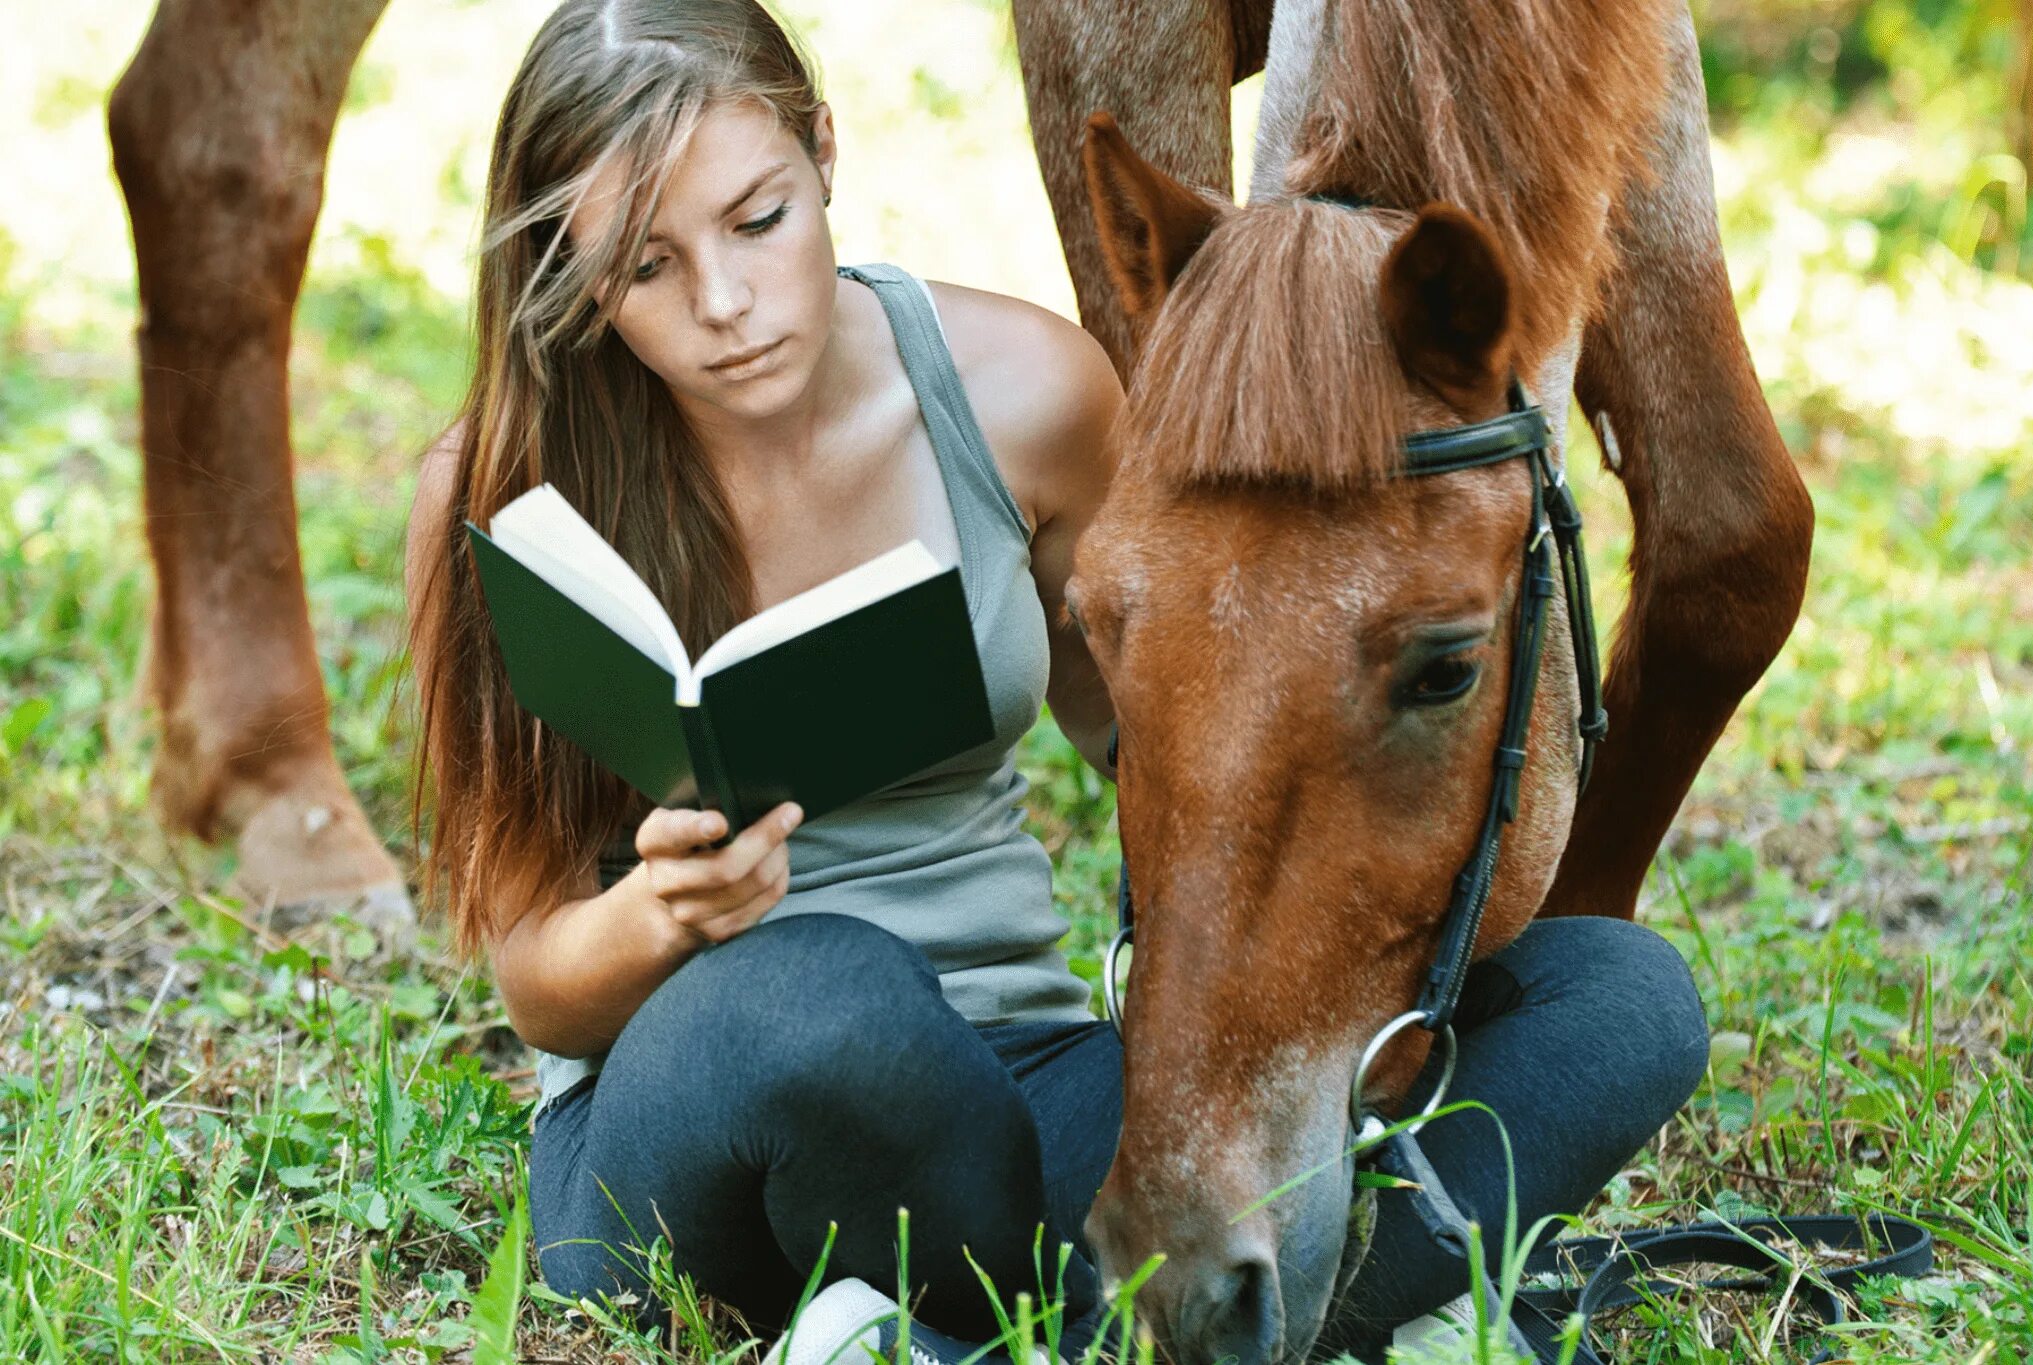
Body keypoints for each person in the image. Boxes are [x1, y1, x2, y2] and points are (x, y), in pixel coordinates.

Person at [401, 2, 1712, 1361]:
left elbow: (1159, 723)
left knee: (1617, 1001)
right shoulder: (504, 494)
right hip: (701, 1098)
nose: (724, 306)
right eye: (645, 266)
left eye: (758, 222)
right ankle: (1313, 1320)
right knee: (827, 1002)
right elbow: (539, 982)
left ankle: (940, 1334)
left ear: (824, 153)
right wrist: (665, 915)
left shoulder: (1018, 389)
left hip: (1021, 1079)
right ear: (574, 269)